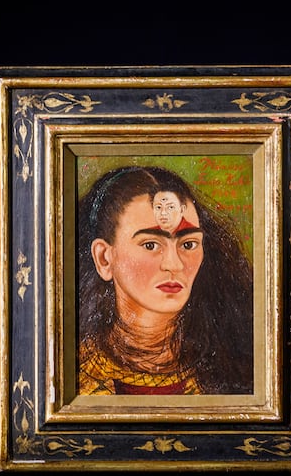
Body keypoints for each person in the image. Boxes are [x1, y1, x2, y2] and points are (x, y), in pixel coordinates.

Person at [76, 165, 254, 395]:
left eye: (188, 244)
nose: (174, 264)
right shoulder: (70, 375)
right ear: (104, 258)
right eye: (151, 245)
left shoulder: (238, 368)